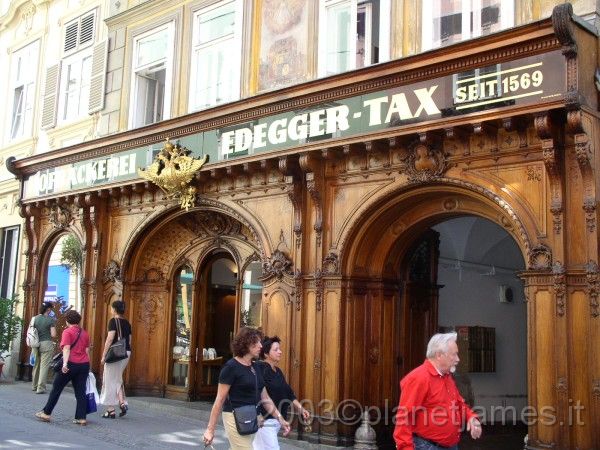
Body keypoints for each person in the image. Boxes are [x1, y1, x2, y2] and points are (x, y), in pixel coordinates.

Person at [203, 327, 291, 449]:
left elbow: (265, 398)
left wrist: (280, 419)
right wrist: (210, 430)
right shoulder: (231, 367)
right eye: (257, 342)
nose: (261, 346)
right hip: (234, 417)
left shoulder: (257, 367)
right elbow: (220, 400)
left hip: (251, 417)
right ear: (246, 344)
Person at [393, 332, 482, 450]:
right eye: (454, 355)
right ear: (439, 355)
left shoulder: (447, 376)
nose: (458, 359)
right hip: (427, 446)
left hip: (451, 446)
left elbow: (458, 403)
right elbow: (404, 417)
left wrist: (471, 417)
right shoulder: (419, 378)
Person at [253, 336, 310, 450]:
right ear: (266, 354)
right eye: (276, 349)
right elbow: (259, 393)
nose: (280, 352)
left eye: (279, 349)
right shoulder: (260, 367)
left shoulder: (277, 371)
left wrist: (301, 409)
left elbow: (289, 393)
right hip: (265, 421)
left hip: (276, 421)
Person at [35, 309, 90, 425]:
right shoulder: (85, 333)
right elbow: (87, 350)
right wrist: (87, 365)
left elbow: (66, 349)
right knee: (80, 391)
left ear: (67, 321)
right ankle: (81, 418)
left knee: (56, 388)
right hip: (84, 364)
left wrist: (64, 364)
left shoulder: (67, 332)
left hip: (70, 363)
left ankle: (46, 413)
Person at [99, 300, 132, 419]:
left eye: (111, 307)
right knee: (117, 378)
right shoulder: (127, 323)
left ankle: (110, 410)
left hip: (115, 353)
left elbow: (110, 339)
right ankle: (122, 403)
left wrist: (104, 355)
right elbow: (129, 340)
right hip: (126, 352)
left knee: (109, 380)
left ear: (114, 309)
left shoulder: (113, 321)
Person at [31, 302, 57, 394]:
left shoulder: (34, 318)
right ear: (48, 309)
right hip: (46, 343)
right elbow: (53, 334)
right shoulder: (50, 320)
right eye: (51, 309)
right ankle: (40, 388)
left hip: (35, 343)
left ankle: (34, 385)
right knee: (44, 366)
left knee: (36, 365)